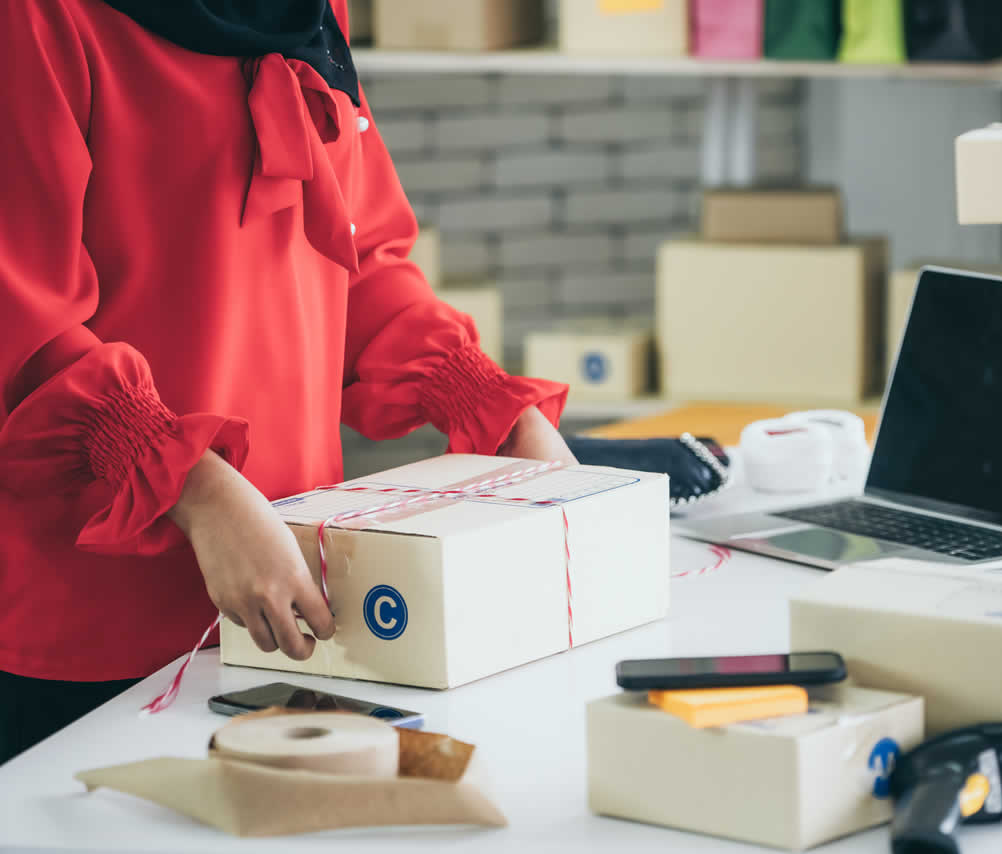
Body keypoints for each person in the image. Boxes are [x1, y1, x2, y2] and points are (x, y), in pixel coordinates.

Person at [0, 0, 575, 764]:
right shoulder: (40, 19)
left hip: (293, 596)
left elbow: (359, 260)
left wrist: (491, 406)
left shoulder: (302, 9)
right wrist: (199, 495)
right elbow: (21, 323)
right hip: (97, 618)